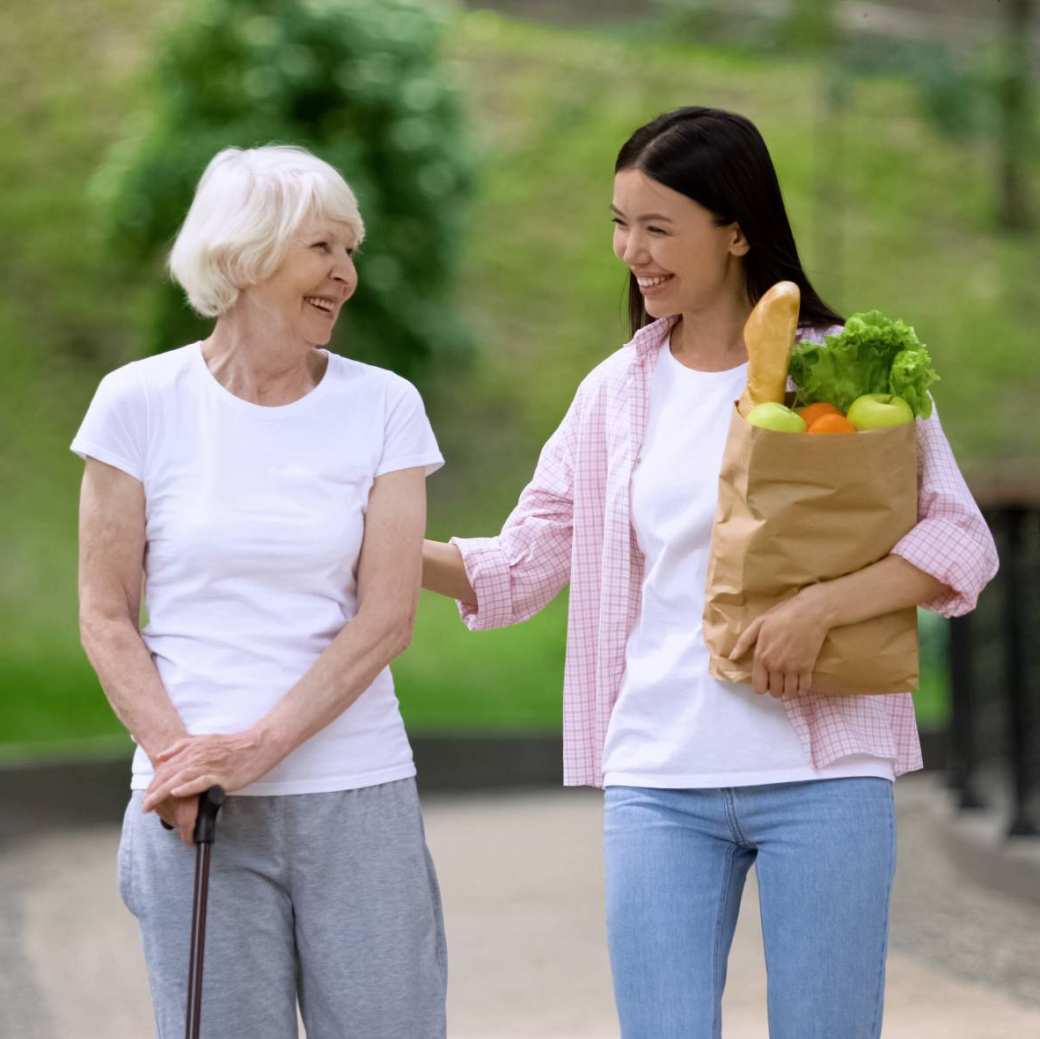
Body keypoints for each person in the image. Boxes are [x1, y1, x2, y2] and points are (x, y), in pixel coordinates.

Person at [421, 106, 999, 1038]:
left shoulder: (844, 371)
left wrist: (824, 607)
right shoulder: (616, 392)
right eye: (619, 223)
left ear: (735, 231)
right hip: (659, 776)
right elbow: (525, 560)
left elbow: (963, 541)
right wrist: (389, 551)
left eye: (656, 227)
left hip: (825, 770)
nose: (629, 251)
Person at [74, 145, 447, 1039]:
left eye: (350, 251)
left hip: (356, 795)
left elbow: (386, 615)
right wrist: (182, 761)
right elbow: (105, 612)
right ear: (244, 256)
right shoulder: (137, 402)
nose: (347, 275)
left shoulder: (384, 405)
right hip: (188, 816)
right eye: (323, 248)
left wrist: (251, 748)